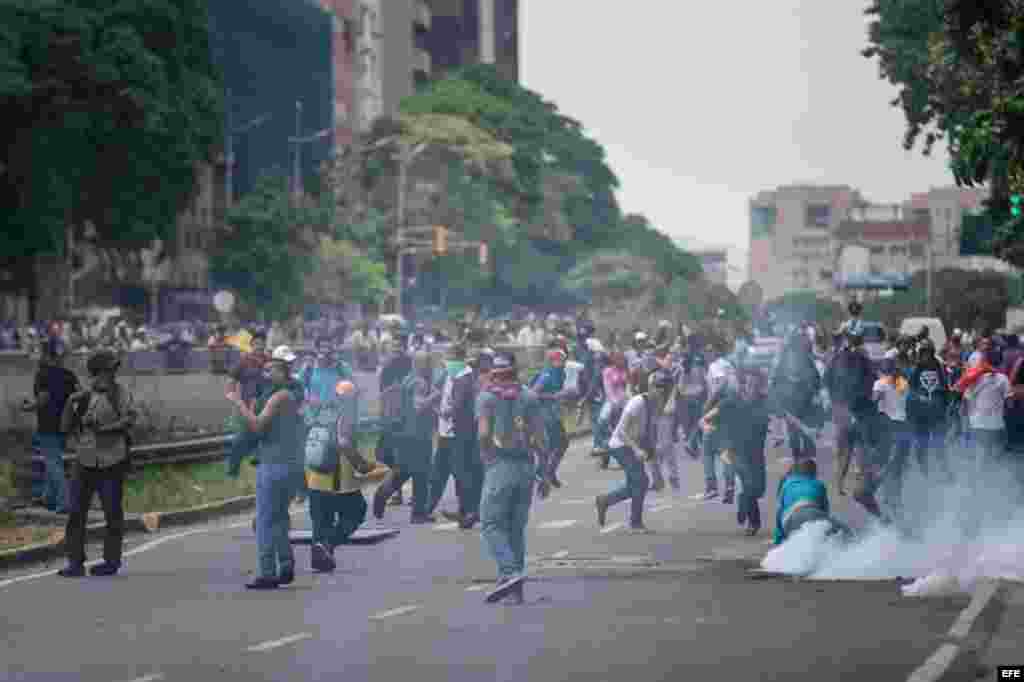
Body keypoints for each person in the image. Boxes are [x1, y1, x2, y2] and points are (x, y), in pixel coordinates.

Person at [226, 346, 304, 589]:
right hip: (291, 464)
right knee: (279, 517)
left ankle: (267, 572)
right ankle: (286, 564)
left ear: (282, 372)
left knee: (264, 521)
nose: (265, 374)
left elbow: (258, 426)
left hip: (273, 464)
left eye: (270, 370)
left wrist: (239, 403)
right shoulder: (294, 395)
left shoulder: (279, 396)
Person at [58, 350, 137, 578]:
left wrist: (104, 428)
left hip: (112, 460)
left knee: (112, 512)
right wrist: (69, 403)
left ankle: (111, 561)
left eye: (112, 371)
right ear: (96, 373)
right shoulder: (82, 397)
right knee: (75, 513)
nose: (112, 375)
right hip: (84, 459)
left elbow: (129, 420)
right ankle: (75, 562)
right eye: (107, 371)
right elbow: (65, 428)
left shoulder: (120, 393)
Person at [476, 353, 547, 604]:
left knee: (491, 524)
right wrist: (545, 473)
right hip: (526, 468)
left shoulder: (487, 398)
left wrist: (486, 454)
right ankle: (516, 591)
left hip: (500, 466)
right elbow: (541, 439)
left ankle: (509, 572)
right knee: (515, 529)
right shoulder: (529, 397)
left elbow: (483, 434)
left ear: (493, 374)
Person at [304, 379, 373, 573]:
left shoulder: (321, 413)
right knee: (357, 511)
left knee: (321, 521)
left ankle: (320, 559)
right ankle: (329, 544)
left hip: (315, 477)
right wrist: (361, 464)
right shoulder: (346, 415)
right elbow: (343, 442)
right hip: (338, 480)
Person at [702, 370, 770, 535]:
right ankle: (753, 523)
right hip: (736, 452)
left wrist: (805, 428)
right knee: (749, 485)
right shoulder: (731, 402)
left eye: (756, 385)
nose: (752, 388)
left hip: (757, 454)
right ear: (743, 386)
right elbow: (706, 418)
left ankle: (743, 500)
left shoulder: (765, 401)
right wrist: (709, 428)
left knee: (758, 490)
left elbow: (787, 415)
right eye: (749, 384)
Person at [595, 369, 662, 534]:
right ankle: (635, 523)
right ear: (651, 387)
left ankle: (605, 500)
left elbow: (649, 437)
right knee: (640, 481)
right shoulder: (637, 403)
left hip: (633, 445)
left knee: (637, 484)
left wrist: (657, 473)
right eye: (659, 387)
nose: (662, 391)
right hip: (620, 445)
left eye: (665, 388)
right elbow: (621, 432)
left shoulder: (656, 405)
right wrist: (636, 449)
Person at [374, 351, 438, 523]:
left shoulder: (407, 379)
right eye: (428, 362)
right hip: (418, 435)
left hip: (404, 433)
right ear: (423, 364)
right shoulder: (419, 382)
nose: (430, 366)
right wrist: (435, 396)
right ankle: (418, 514)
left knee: (404, 470)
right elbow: (419, 406)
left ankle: (384, 493)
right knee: (421, 474)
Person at [22, 337, 80, 514]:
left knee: (53, 463)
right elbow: (81, 395)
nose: (38, 357)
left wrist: (28, 407)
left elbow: (43, 399)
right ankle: (48, 498)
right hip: (65, 425)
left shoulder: (43, 374)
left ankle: (64, 502)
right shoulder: (69, 375)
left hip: (48, 425)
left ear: (47, 355)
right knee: (53, 460)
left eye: (41, 353)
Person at [769, 330, 821, 463]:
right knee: (797, 430)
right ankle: (802, 456)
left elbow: (814, 377)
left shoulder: (797, 357)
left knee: (797, 429)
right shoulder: (794, 357)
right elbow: (815, 378)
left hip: (799, 398)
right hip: (796, 399)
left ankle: (803, 456)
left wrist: (814, 391)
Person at [697, 338, 738, 502]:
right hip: (731, 410)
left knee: (707, 450)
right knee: (725, 449)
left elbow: (721, 383)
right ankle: (730, 485)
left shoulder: (715, 366)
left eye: (709, 350)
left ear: (715, 351)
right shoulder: (728, 364)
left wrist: (709, 402)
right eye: (705, 351)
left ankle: (711, 487)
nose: (706, 353)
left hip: (717, 410)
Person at [773, 459, 848, 545]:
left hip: (789, 520)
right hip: (813, 514)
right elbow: (825, 510)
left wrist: (778, 539)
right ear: (814, 473)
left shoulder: (787, 484)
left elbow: (779, 512)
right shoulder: (819, 484)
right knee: (845, 533)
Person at [906, 339, 951, 480]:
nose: (926, 356)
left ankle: (944, 470)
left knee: (939, 443)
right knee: (922, 444)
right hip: (921, 413)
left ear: (932, 353)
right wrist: (918, 398)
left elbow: (946, 389)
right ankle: (923, 472)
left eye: (928, 352)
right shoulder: (916, 368)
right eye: (923, 352)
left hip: (937, 412)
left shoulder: (939, 367)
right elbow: (909, 389)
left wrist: (945, 406)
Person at [873, 359, 913, 515]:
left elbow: (875, 399)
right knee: (898, 466)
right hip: (903, 426)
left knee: (884, 462)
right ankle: (896, 499)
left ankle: (886, 496)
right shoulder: (903, 382)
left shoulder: (880, 383)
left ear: (882, 371)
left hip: (887, 426)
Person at [644, 368, 682, 493]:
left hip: (665, 415)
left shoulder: (668, 377)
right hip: (653, 415)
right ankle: (657, 479)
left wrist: (671, 403)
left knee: (666, 447)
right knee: (652, 449)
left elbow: (674, 393)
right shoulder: (651, 376)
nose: (659, 389)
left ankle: (673, 478)